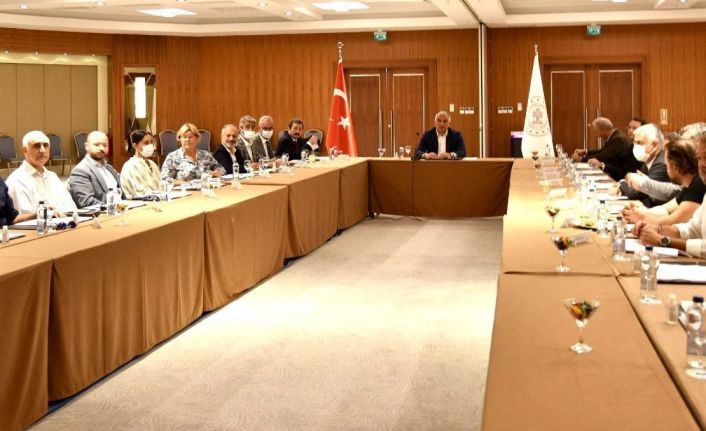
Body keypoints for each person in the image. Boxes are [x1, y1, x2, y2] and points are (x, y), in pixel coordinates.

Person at [635, 132, 706, 257]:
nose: (702, 164)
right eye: (699, 158)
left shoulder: (699, 185)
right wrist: (656, 229)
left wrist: (663, 240)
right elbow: (692, 230)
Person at [623, 137, 705, 226]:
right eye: (699, 158)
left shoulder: (699, 184)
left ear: (674, 166)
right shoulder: (690, 185)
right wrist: (640, 212)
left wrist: (642, 218)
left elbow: (672, 221)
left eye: (667, 165)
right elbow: (666, 209)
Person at [7, 130, 77, 215]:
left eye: (45, 145)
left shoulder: (52, 176)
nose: (42, 150)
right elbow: (24, 215)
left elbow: (71, 207)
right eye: (36, 146)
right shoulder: (17, 180)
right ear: (25, 150)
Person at [616, 124, 670, 206]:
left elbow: (636, 192)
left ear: (654, 145)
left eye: (639, 143)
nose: (635, 146)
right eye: (634, 142)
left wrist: (621, 185)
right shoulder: (648, 160)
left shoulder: (661, 164)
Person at [70, 131, 121, 208]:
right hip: (103, 213)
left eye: (105, 145)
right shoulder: (80, 171)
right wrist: (115, 207)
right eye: (96, 145)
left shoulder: (109, 168)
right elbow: (86, 201)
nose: (101, 148)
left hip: (123, 210)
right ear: (86, 146)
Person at [161, 123, 225, 184]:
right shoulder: (172, 157)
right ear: (180, 139)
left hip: (205, 189)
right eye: (184, 137)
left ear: (197, 138)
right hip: (184, 190)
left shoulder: (205, 155)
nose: (187, 139)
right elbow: (164, 179)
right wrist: (181, 183)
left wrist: (214, 173)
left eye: (190, 137)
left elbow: (222, 170)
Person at [120, 130, 161, 198]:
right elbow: (140, 192)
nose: (150, 145)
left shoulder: (152, 164)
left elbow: (161, 185)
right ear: (135, 146)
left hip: (157, 199)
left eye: (151, 142)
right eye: (146, 143)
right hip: (140, 202)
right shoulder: (130, 166)